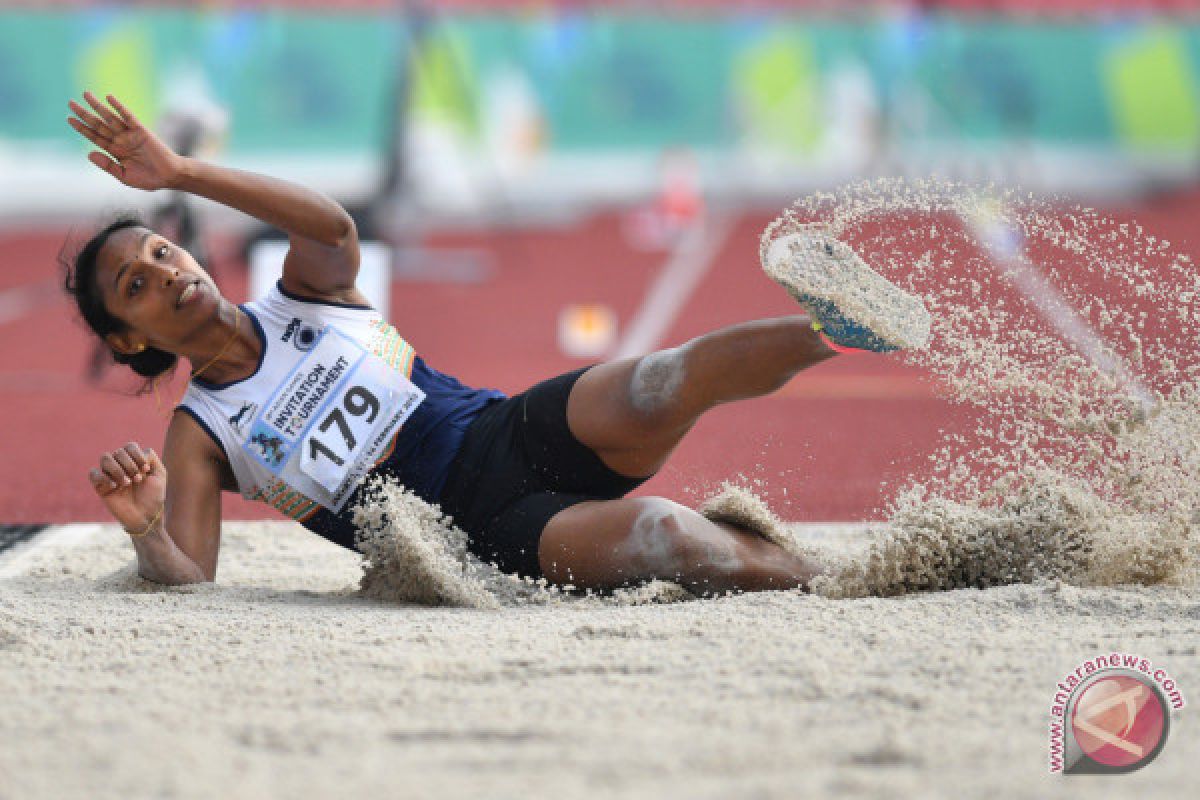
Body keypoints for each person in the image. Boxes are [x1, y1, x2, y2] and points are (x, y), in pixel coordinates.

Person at [64, 92, 929, 596]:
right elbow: (194, 583)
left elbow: (330, 222)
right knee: (670, 537)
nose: (165, 273)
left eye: (161, 250)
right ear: (128, 337)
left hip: (511, 428)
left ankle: (835, 328)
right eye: (135, 286)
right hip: (490, 533)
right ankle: (842, 579)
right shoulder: (201, 433)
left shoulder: (307, 295)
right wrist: (145, 534)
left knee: (668, 377)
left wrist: (180, 174)